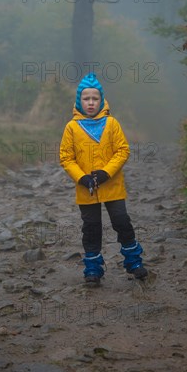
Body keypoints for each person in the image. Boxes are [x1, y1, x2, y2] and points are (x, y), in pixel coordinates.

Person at [59, 72, 148, 285]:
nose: (90, 103)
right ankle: (93, 269)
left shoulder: (112, 123)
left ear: (102, 100)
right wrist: (81, 178)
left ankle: (133, 261)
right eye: (86, 98)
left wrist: (107, 172)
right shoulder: (71, 127)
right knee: (91, 227)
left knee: (121, 221)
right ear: (79, 100)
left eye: (95, 98)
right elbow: (66, 157)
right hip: (86, 188)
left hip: (113, 186)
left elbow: (122, 151)